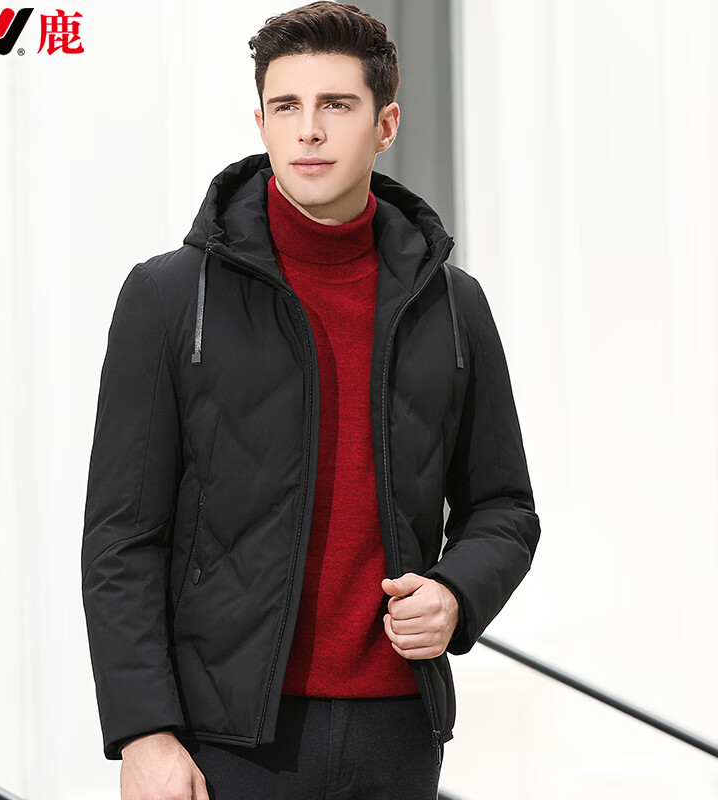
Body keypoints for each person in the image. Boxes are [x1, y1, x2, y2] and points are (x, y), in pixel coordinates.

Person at [80, 3, 541, 798]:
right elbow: (122, 536)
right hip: (227, 741)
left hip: (398, 732)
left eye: (337, 105)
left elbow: (504, 508)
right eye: (287, 106)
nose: (310, 131)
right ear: (260, 122)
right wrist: (144, 732)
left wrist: (457, 594)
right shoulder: (170, 296)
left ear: (385, 124)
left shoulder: (452, 304)